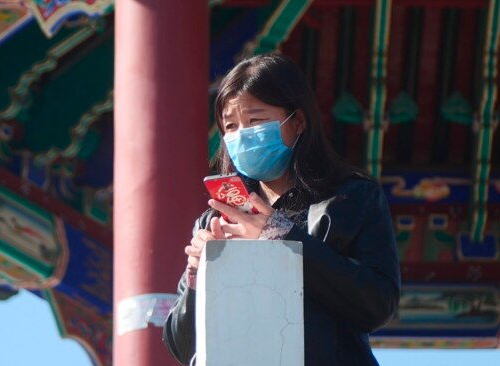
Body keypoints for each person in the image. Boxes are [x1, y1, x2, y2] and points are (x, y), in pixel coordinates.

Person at [162, 54, 400, 365]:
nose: (241, 136)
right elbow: (183, 347)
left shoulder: (351, 199)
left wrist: (279, 237)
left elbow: (377, 304)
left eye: (256, 121)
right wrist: (197, 274)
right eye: (230, 126)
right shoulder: (215, 219)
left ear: (298, 122)